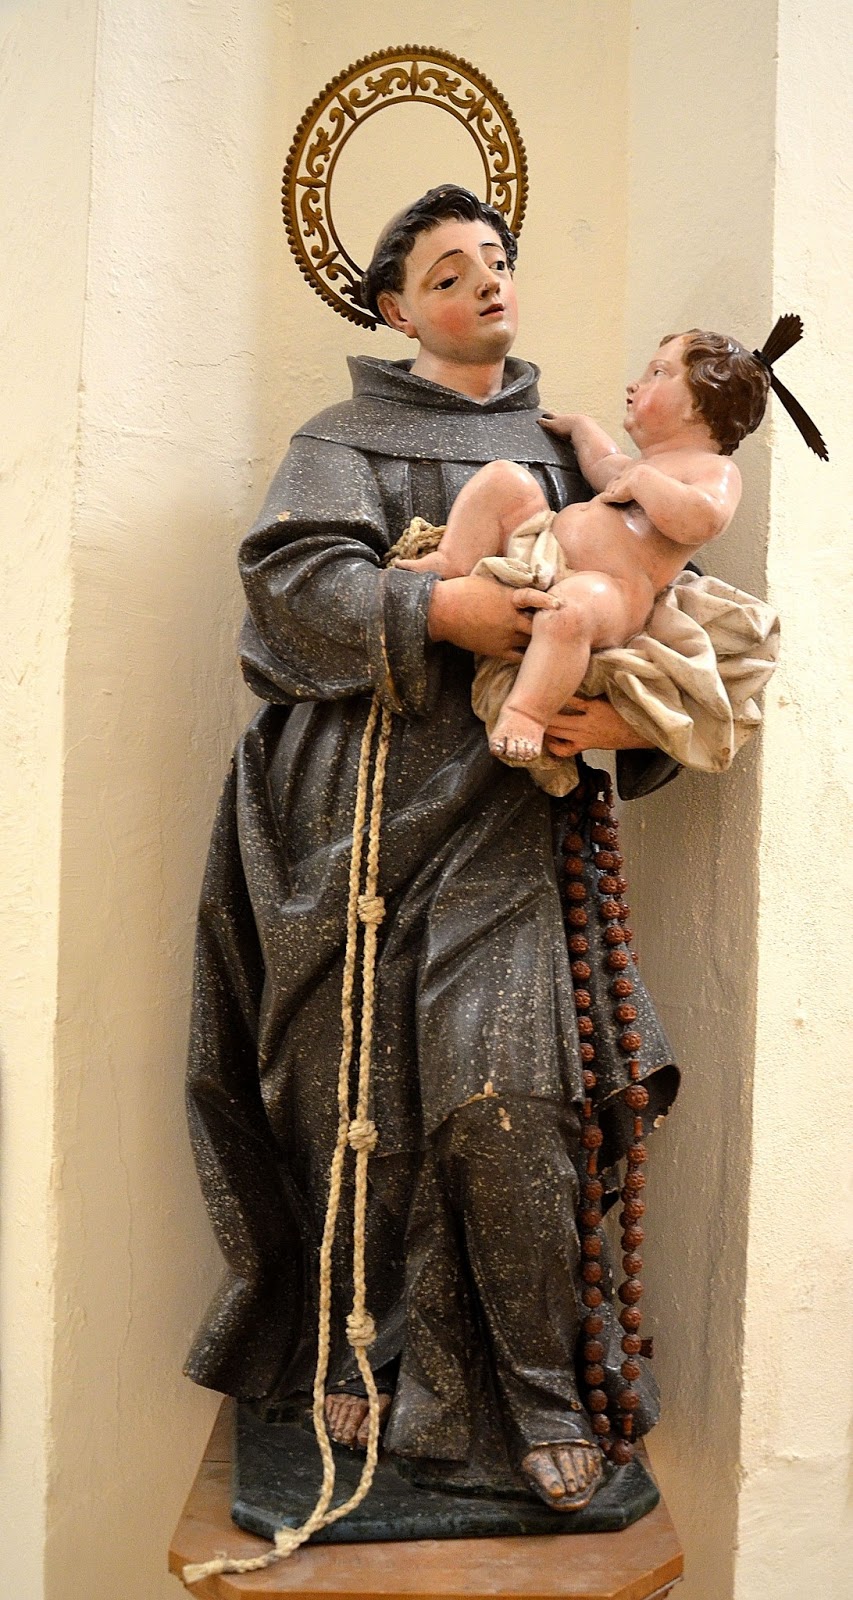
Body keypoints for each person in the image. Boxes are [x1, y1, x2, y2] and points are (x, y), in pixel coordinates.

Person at [185, 186, 689, 1516]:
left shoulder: (580, 453)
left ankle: (536, 1394)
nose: (484, 284)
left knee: (508, 1100)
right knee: (355, 1117)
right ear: (395, 307)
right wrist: (441, 608)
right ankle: (359, 1364)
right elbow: (292, 592)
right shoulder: (340, 440)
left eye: (497, 261)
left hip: (509, 829)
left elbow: (643, 610)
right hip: (343, 834)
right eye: (449, 271)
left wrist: (612, 715)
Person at [397, 329, 763, 764]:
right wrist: (582, 429)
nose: (635, 384)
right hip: (546, 551)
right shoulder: (638, 466)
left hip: (613, 591)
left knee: (568, 611)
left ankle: (526, 712)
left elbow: (704, 518)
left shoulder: (713, 469)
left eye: (657, 373)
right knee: (504, 479)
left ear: (699, 405)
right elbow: (604, 465)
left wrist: (646, 482)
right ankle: (452, 560)